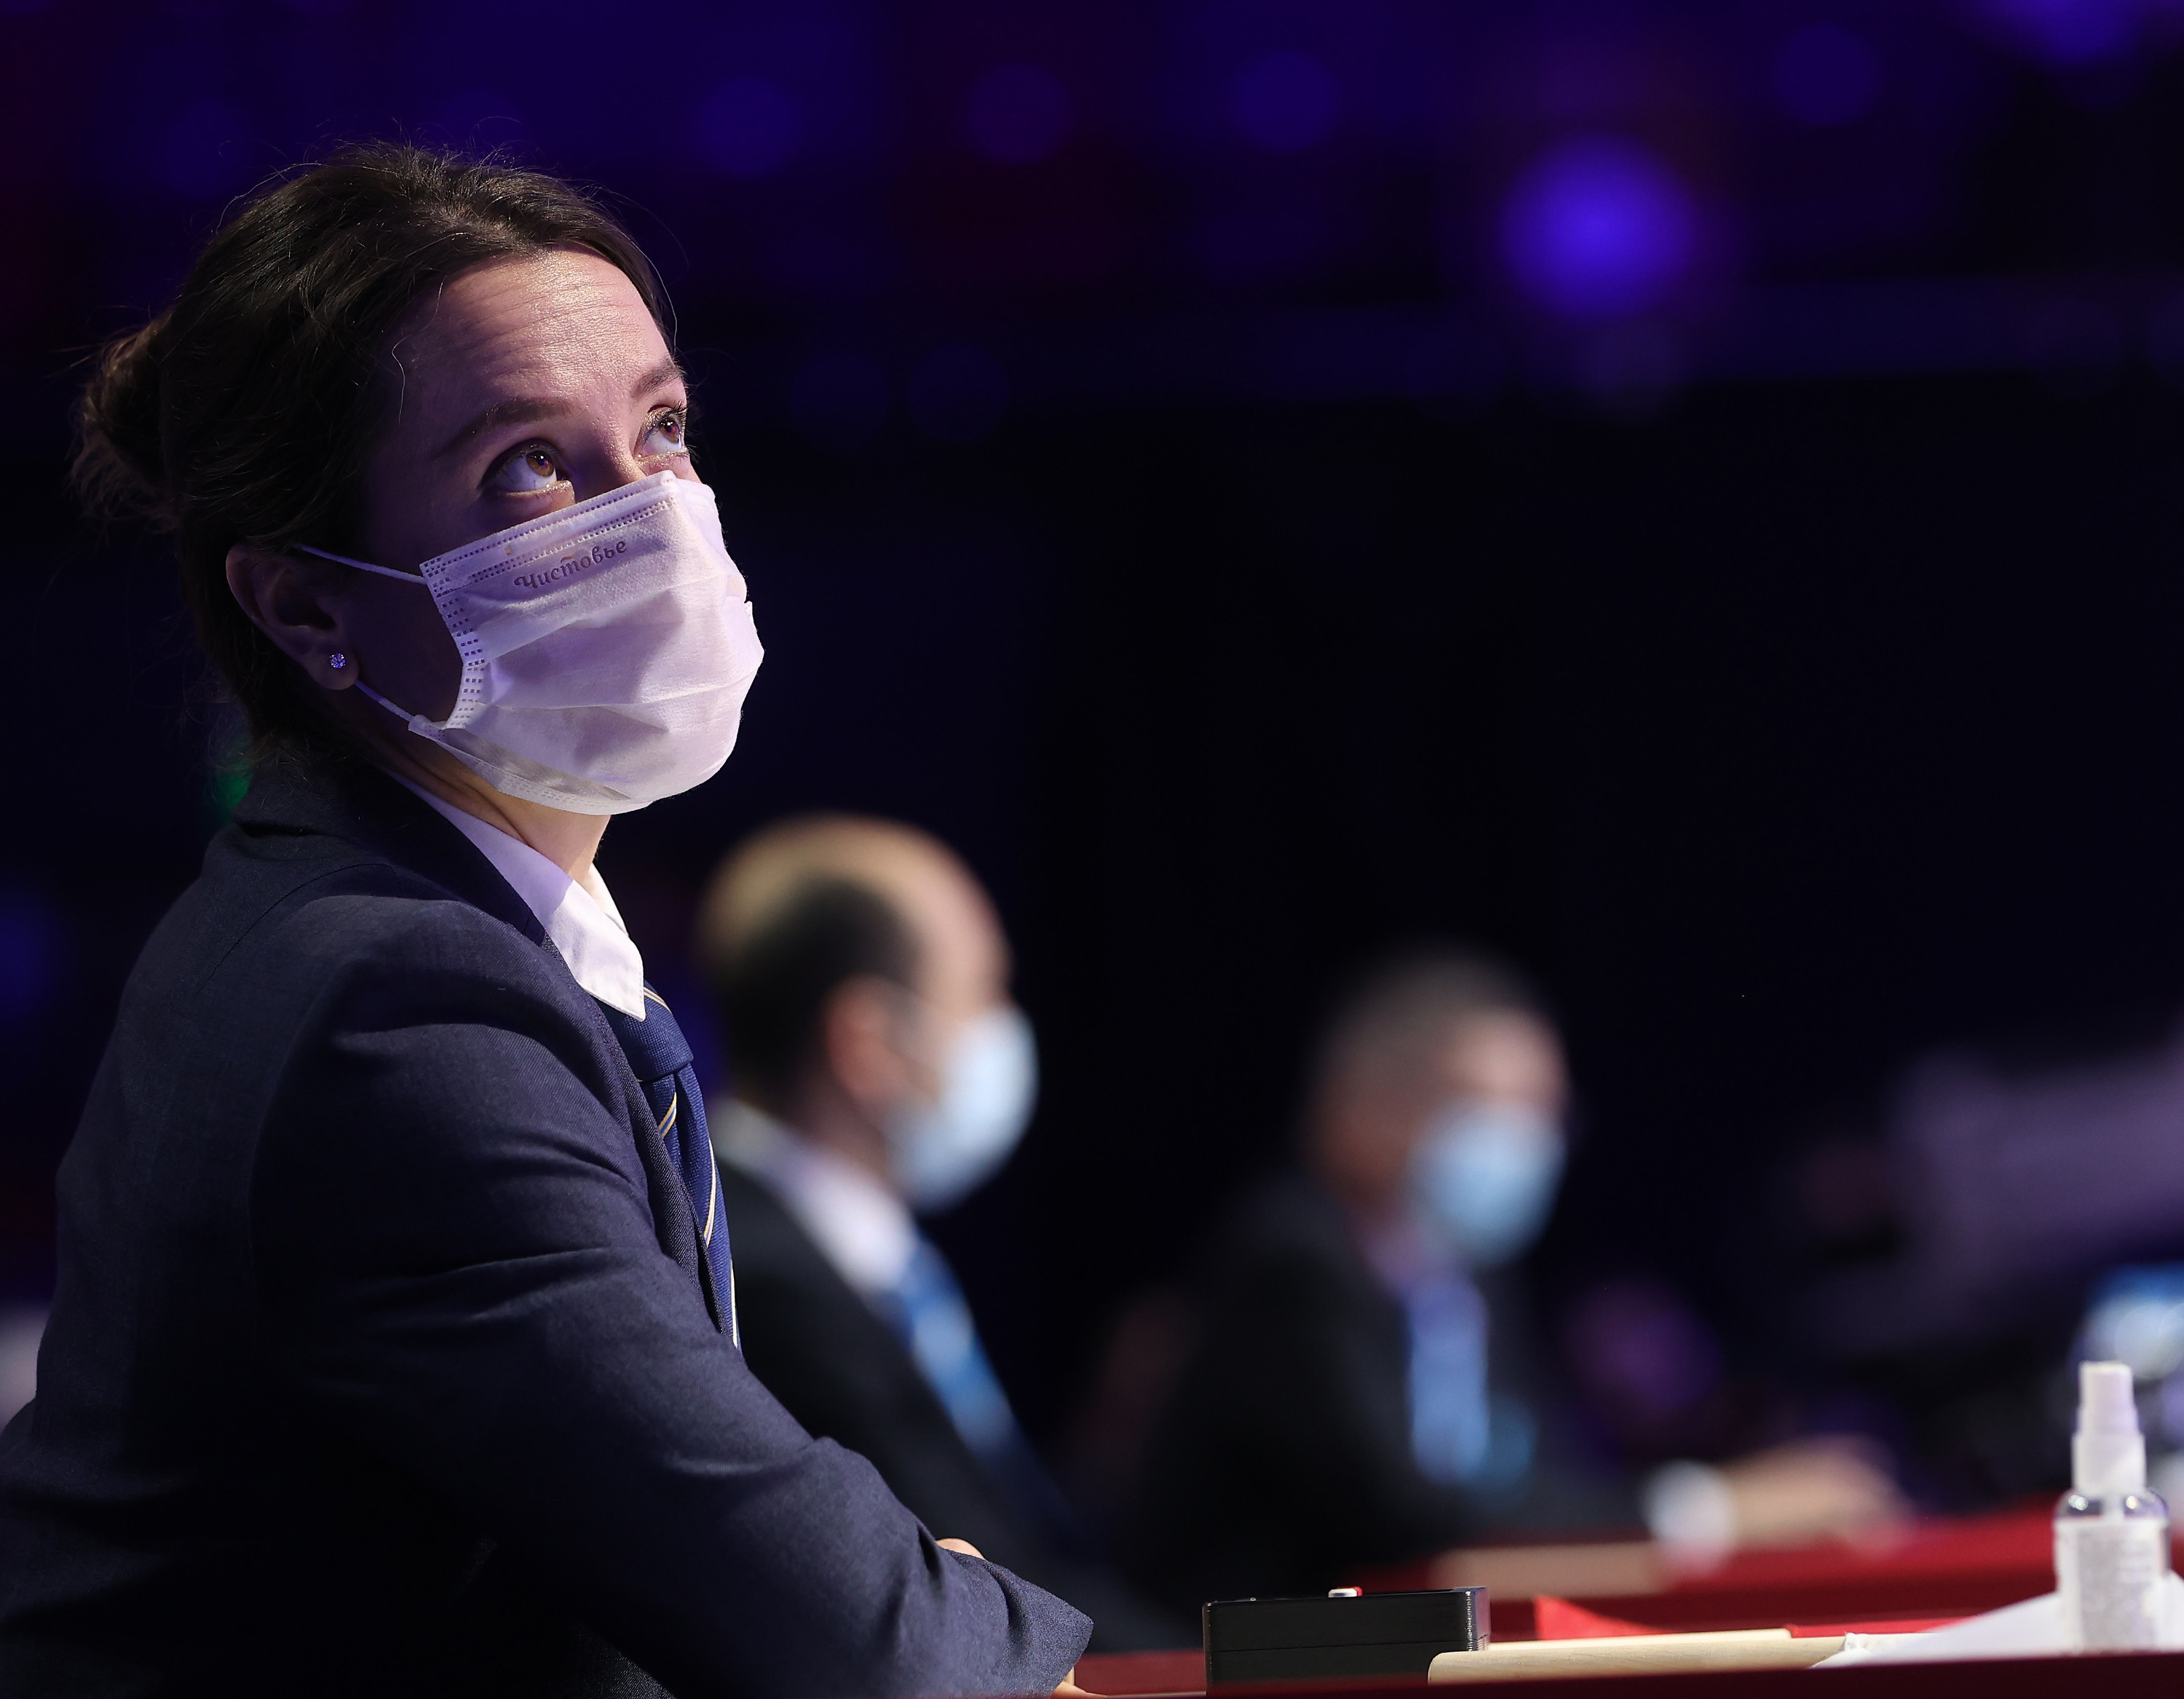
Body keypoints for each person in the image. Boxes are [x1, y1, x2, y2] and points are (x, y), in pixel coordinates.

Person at [0, 146, 1090, 1698]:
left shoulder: (403, 929)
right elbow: (856, 1638)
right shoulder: (394, 1003)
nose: (656, 513)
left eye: (663, 427)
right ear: (305, 605)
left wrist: (909, 1594)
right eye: (529, 464)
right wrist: (944, 1596)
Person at [1120, 948, 1904, 1609]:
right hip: (1221, 1666)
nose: (1524, 1141)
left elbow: (1538, 1483)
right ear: (1362, 1106)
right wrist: (1713, 1507)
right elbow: (1412, 1519)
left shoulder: (1471, 1281)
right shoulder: (1293, 1265)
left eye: (1545, 1111)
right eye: (1488, 1105)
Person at [697, 815, 1187, 1651]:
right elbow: (982, 1583)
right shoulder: (759, 1271)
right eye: (985, 991)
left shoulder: (880, 1259)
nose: (1006, 1028)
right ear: (868, 1045)